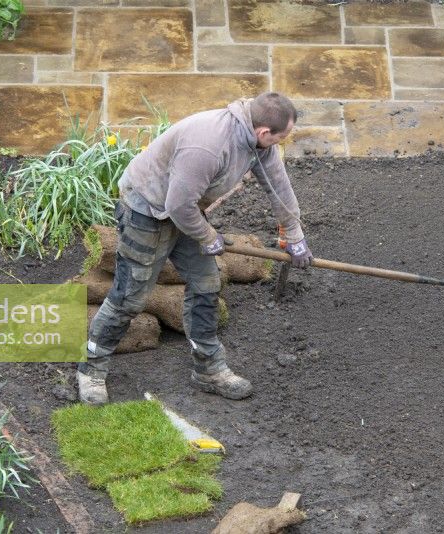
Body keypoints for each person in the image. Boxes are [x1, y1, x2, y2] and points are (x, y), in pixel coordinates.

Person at [77, 91, 313, 404]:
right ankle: (91, 370)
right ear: (264, 132)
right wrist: (206, 236)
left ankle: (208, 369)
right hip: (146, 210)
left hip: (184, 209)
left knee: (206, 283)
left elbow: (279, 188)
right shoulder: (209, 145)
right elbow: (177, 204)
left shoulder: (258, 144)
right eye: (282, 137)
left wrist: (294, 234)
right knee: (130, 296)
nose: (283, 142)